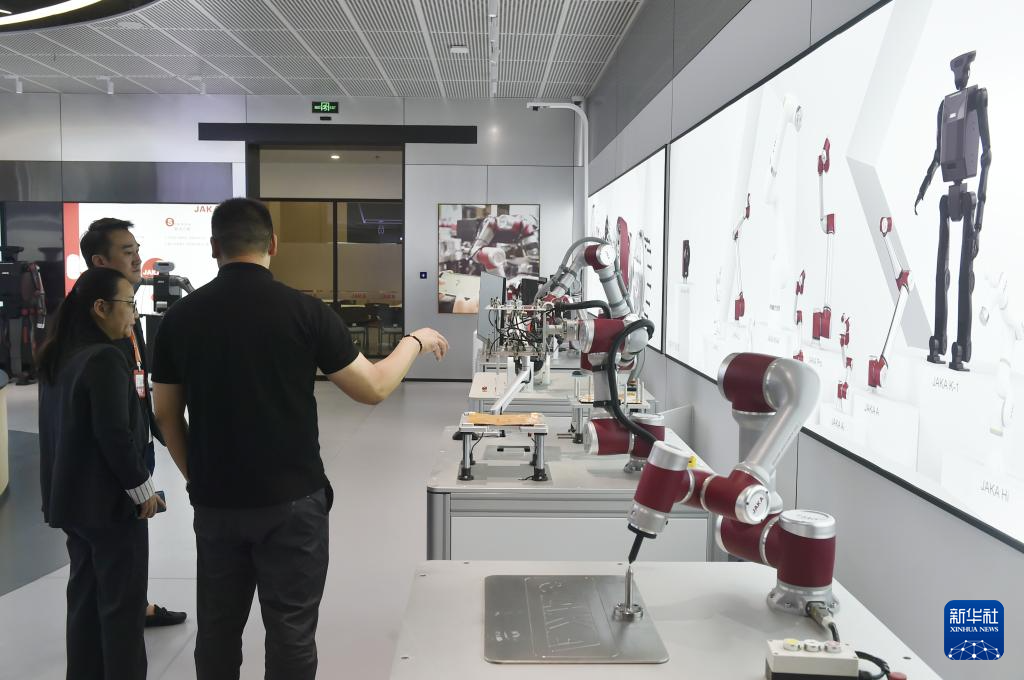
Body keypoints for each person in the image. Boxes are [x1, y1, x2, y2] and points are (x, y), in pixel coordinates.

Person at [151, 197, 448, 680]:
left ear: (213, 247)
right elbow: (372, 388)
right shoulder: (305, 311)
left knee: (218, 631)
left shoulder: (181, 318)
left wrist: (196, 478)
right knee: (291, 632)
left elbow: (166, 414)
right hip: (292, 500)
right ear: (273, 243)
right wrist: (414, 341)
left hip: (217, 501)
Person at [37, 267, 166, 680]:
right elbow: (113, 434)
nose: (134, 314)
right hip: (109, 507)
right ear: (100, 307)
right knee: (123, 609)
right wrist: (143, 489)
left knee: (85, 602)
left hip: (73, 504)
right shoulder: (106, 358)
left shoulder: (60, 356)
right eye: (129, 303)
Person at [80, 218, 187, 627]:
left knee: (126, 547)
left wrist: (157, 429)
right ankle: (124, 617)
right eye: (128, 252)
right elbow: (106, 421)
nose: (138, 259)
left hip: (134, 441)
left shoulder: (124, 309)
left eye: (137, 250)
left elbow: (135, 381)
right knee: (114, 549)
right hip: (112, 458)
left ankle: (130, 604)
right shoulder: (94, 324)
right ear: (99, 261)